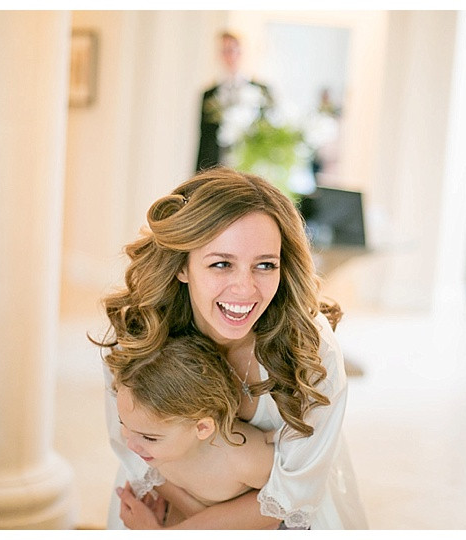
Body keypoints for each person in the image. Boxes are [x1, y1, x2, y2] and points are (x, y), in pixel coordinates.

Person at [97, 166, 368, 529]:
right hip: (165, 500)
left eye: (265, 265)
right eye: (222, 264)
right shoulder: (139, 331)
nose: (245, 289)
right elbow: (137, 453)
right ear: (183, 266)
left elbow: (291, 498)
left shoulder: (313, 351)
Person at [110, 333, 275, 529]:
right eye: (125, 424)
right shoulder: (157, 444)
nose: (130, 444)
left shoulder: (244, 460)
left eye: (149, 438)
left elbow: (281, 507)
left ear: (202, 428)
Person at [195, 31, 272, 172]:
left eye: (234, 50)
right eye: (225, 51)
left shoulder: (261, 90)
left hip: (251, 166)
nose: (230, 56)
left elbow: (267, 133)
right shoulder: (209, 94)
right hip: (217, 166)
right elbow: (204, 140)